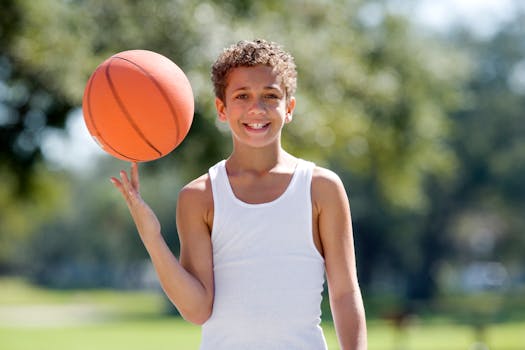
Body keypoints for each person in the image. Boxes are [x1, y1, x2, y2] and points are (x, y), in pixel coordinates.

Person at [111, 39, 367, 350]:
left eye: (270, 96)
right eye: (242, 96)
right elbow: (197, 309)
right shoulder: (199, 197)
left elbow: (344, 293)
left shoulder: (321, 189)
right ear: (222, 108)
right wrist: (151, 236)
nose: (256, 108)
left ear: (289, 108)